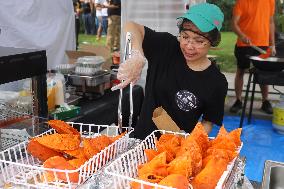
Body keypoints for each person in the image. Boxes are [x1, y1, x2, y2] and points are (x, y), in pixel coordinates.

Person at [112, 3, 228, 139]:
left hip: (175, 152)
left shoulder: (217, 82)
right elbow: (130, 26)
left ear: (212, 42)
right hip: (140, 142)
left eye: (199, 41)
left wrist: (190, 143)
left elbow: (208, 121)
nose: (189, 46)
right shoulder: (166, 47)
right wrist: (137, 54)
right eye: (185, 37)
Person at [230, 0, 276, 114]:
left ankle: (265, 101)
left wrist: (272, 44)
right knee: (241, 71)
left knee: (263, 72)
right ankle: (238, 100)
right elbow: (234, 24)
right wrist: (242, 35)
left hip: (263, 44)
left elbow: (270, 22)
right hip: (244, 44)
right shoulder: (242, 2)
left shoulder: (270, 1)